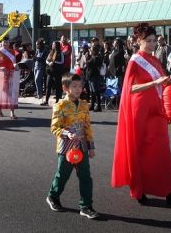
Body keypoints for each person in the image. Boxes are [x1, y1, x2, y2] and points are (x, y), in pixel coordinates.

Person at [111, 23, 171, 206]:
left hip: (156, 109)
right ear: (138, 41)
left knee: (161, 149)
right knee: (141, 151)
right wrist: (155, 83)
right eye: (148, 41)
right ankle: (140, 190)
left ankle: (170, 190)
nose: (152, 44)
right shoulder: (134, 61)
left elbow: (161, 81)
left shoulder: (154, 60)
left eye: (154, 41)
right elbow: (129, 89)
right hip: (140, 111)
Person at [45, 74, 98, 219]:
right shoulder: (60, 106)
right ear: (65, 88)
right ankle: (53, 196)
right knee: (62, 175)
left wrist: (91, 146)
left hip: (82, 146)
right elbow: (54, 127)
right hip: (66, 148)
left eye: (80, 86)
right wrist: (66, 133)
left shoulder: (84, 105)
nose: (78, 89)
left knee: (86, 176)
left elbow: (87, 127)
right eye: (74, 86)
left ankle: (86, 206)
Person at [0, 37, 18, 119]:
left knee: (11, 93)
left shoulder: (12, 51)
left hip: (11, 74)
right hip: (2, 75)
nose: (6, 44)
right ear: (2, 43)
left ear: (9, 43)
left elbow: (14, 63)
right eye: (4, 42)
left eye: (7, 42)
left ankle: (12, 113)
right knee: (2, 92)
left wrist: (15, 66)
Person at [41, 41, 65, 106]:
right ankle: (46, 100)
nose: (52, 46)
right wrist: (49, 63)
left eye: (54, 44)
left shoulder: (61, 53)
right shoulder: (51, 52)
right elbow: (46, 60)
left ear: (56, 45)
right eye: (52, 44)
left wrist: (54, 62)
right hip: (50, 72)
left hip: (57, 72)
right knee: (48, 86)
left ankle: (57, 100)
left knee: (58, 86)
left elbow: (62, 61)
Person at [84, 46, 104, 112]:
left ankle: (98, 106)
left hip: (94, 76)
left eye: (91, 49)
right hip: (91, 76)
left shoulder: (96, 58)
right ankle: (92, 105)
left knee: (96, 91)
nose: (90, 50)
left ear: (94, 51)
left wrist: (87, 58)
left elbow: (89, 64)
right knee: (92, 92)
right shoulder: (93, 57)